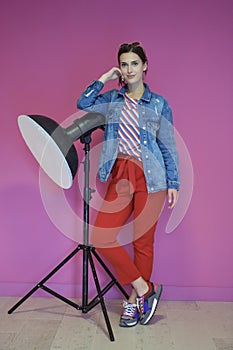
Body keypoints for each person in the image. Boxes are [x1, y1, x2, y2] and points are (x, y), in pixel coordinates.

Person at [77, 42, 180, 327]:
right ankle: (146, 289)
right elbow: (83, 104)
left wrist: (173, 181)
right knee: (102, 237)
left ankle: (135, 303)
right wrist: (104, 78)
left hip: (152, 176)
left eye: (134, 63)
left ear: (145, 66)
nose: (129, 69)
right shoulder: (112, 99)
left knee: (143, 242)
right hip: (121, 173)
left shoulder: (159, 103)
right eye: (124, 64)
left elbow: (168, 145)